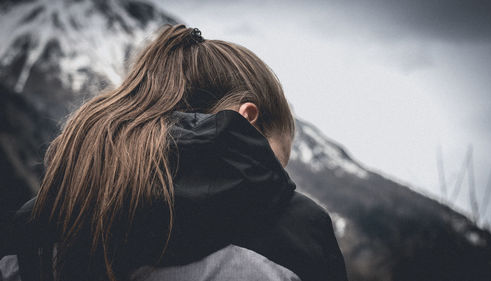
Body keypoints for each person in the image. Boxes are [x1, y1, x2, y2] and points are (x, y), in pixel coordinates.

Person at [0, 24, 348, 281]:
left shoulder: (43, 219)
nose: (279, 184)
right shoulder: (298, 229)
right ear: (248, 121)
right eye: (273, 164)